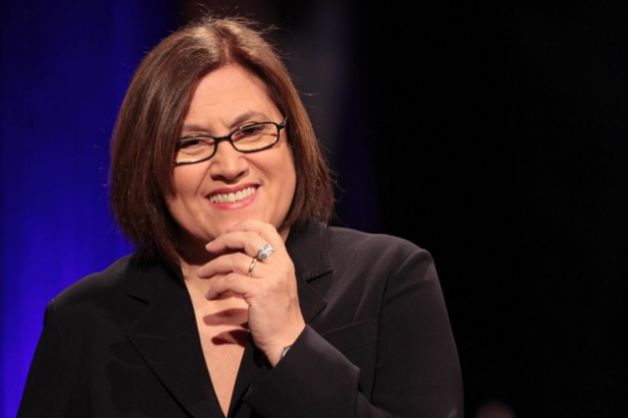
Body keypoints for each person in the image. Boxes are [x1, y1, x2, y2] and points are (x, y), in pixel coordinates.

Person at [18, 16, 463, 418]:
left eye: (251, 131)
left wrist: (291, 344)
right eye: (191, 142)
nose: (229, 166)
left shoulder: (389, 278)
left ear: (292, 139)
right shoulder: (82, 321)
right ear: (148, 165)